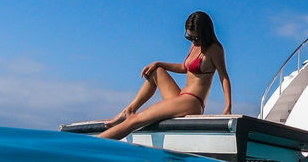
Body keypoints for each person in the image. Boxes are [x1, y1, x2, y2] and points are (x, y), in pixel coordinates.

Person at [98, 11, 232, 140]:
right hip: (180, 97)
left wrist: (228, 106)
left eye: (196, 38)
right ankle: (129, 110)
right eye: (189, 37)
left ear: (205, 34)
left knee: (135, 120)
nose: (193, 41)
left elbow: (224, 77)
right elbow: (184, 67)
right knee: (157, 71)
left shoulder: (215, 50)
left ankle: (93, 144)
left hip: (192, 102)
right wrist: (159, 63)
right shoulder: (194, 45)